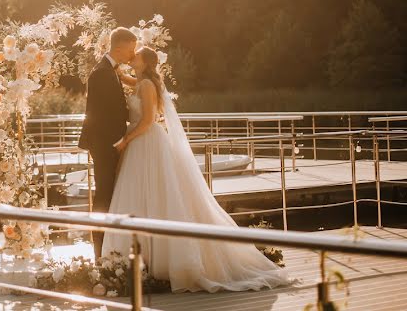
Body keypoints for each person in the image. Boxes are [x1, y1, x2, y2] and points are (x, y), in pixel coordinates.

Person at [102, 46, 291, 292]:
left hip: (147, 141)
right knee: (143, 196)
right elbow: (125, 79)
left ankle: (164, 260)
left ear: (145, 62)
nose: (132, 57)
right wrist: (112, 64)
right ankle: (146, 258)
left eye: (135, 55)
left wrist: (126, 140)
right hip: (140, 144)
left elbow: (148, 120)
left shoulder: (147, 85)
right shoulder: (140, 81)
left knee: (159, 195)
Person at [78, 27, 137, 260]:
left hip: (110, 143)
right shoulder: (102, 73)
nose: (132, 55)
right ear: (119, 48)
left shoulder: (110, 71)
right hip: (105, 144)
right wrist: (119, 141)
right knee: (103, 194)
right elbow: (101, 115)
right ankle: (100, 249)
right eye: (131, 50)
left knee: (109, 193)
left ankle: (109, 246)